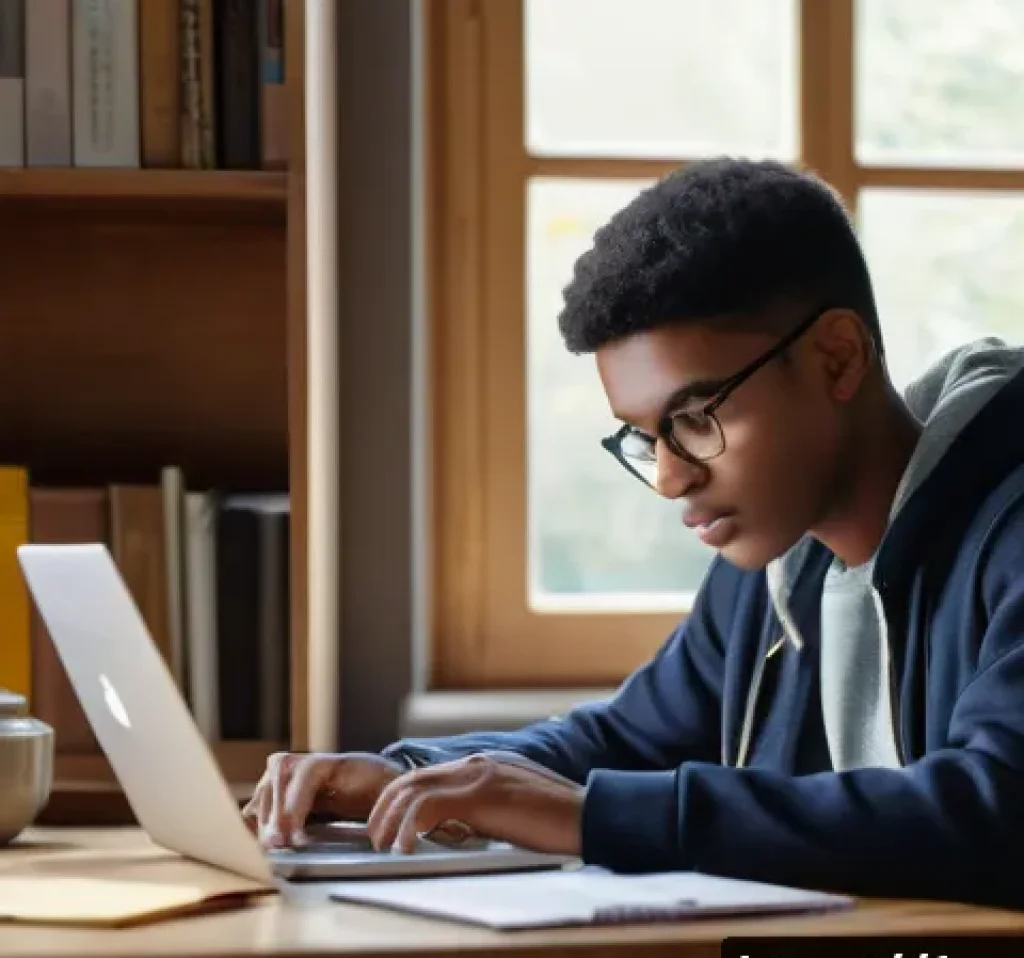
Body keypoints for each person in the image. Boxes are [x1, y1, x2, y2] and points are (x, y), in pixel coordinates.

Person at [243, 157, 1024, 908]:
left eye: (695, 419)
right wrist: (407, 773)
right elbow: (628, 741)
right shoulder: (771, 561)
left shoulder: (1008, 522)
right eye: (647, 435)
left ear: (836, 356)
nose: (669, 477)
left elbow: (996, 811)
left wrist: (593, 817)